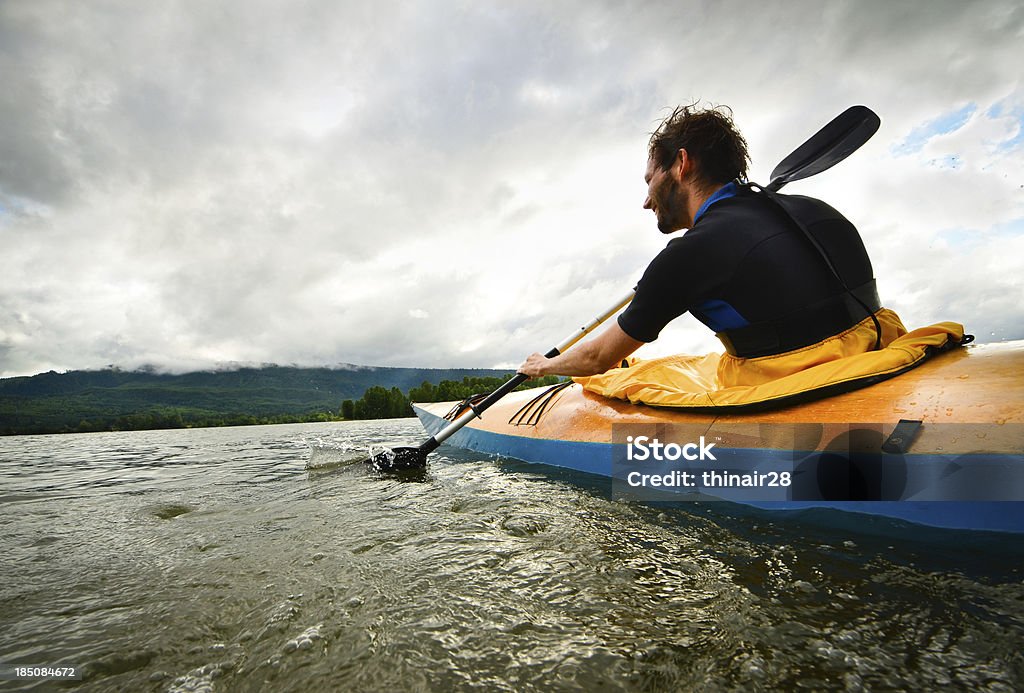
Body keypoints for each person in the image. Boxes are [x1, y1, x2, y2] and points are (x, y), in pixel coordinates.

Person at [518, 102, 880, 382]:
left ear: (681, 163)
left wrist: (545, 365)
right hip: (884, 356)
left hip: (805, 390)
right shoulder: (817, 211)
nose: (646, 200)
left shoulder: (686, 256)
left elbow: (598, 359)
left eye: (649, 180)